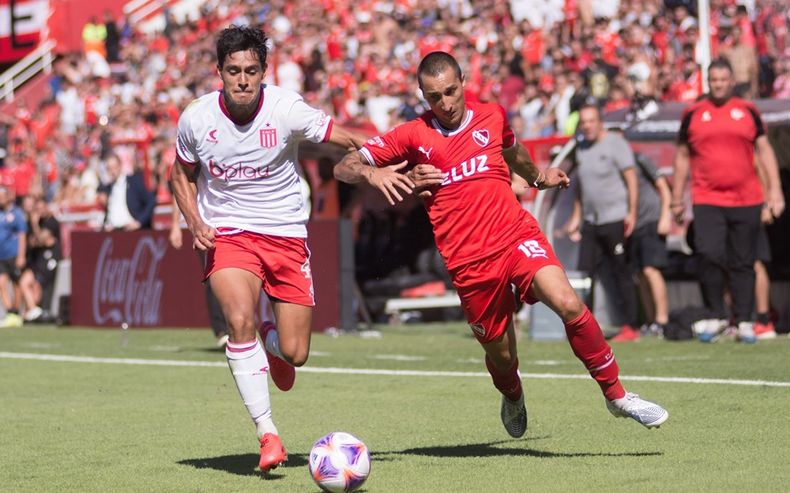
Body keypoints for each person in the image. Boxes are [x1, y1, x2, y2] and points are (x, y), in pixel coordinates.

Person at [334, 51, 668, 437]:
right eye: (434, 97)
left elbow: (513, 151)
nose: (445, 103)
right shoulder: (413, 135)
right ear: (423, 97)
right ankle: (512, 393)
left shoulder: (491, 116)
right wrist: (375, 175)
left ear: (463, 81)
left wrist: (538, 177)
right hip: (469, 261)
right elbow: (345, 165)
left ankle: (617, 394)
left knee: (568, 302)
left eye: (450, 91)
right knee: (503, 355)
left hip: (514, 235)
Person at [169, 26, 365, 472]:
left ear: (263, 72)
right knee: (237, 320)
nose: (242, 80)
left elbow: (347, 137)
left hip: (286, 234)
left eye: (251, 71)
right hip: (229, 233)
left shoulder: (286, 109)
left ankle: (272, 345)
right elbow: (180, 174)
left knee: (296, 352)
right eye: (233, 71)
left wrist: (397, 158)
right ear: (219, 72)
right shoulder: (196, 118)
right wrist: (195, 220)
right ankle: (268, 434)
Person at [671, 58, 785, 343]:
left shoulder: (747, 111)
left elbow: (764, 151)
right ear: (709, 82)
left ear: (732, 81)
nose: (719, 85)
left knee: (744, 261)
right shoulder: (694, 113)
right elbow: (682, 156)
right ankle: (716, 315)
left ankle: (745, 320)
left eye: (723, 80)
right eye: (714, 80)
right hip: (707, 197)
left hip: (747, 198)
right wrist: (675, 199)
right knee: (709, 254)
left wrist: (775, 191)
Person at [563, 104, 641, 342]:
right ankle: (586, 326)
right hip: (591, 221)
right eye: (583, 122)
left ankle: (631, 326)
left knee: (620, 274)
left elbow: (631, 180)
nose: (587, 126)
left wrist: (632, 213)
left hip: (615, 218)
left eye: (591, 121)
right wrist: (576, 217)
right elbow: (580, 188)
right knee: (587, 276)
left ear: (600, 122)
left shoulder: (616, 144)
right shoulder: (581, 148)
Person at [169, 197, 229, 348]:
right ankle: (222, 330)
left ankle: (236, 326)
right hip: (207, 227)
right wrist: (175, 225)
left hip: (234, 224)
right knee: (213, 275)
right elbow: (180, 183)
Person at [630, 153, 672, 337]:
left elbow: (663, 185)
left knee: (651, 270)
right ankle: (650, 321)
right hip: (633, 225)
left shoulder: (639, 158)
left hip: (651, 220)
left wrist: (665, 216)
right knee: (640, 275)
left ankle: (662, 321)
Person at [97, 154, 157, 231]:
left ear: (120, 166)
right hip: (114, 232)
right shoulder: (108, 188)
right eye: (109, 169)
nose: (112, 171)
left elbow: (151, 201)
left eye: (114, 167)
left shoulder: (133, 181)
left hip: (131, 230)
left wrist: (139, 221)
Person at [0, 186, 26, 328]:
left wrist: (21, 255)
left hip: (12, 254)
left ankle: (16, 313)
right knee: (1, 283)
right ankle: (10, 311)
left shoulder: (16, 214)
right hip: (1, 255)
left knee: (17, 284)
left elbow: (22, 235)